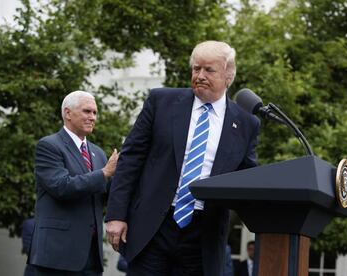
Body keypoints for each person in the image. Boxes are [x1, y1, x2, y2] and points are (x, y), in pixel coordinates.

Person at [105, 40, 260, 276]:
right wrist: (116, 215)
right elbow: (131, 159)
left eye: (209, 70)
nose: (200, 75)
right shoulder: (161, 102)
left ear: (228, 75)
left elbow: (247, 178)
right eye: (196, 68)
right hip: (154, 227)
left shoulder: (247, 124)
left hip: (203, 235)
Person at [28, 91, 119, 275]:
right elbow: (62, 187)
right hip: (57, 256)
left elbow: (107, 194)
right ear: (68, 113)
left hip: (91, 256)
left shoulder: (98, 153)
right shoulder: (49, 146)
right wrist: (105, 173)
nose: (92, 117)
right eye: (87, 111)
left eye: (94, 112)